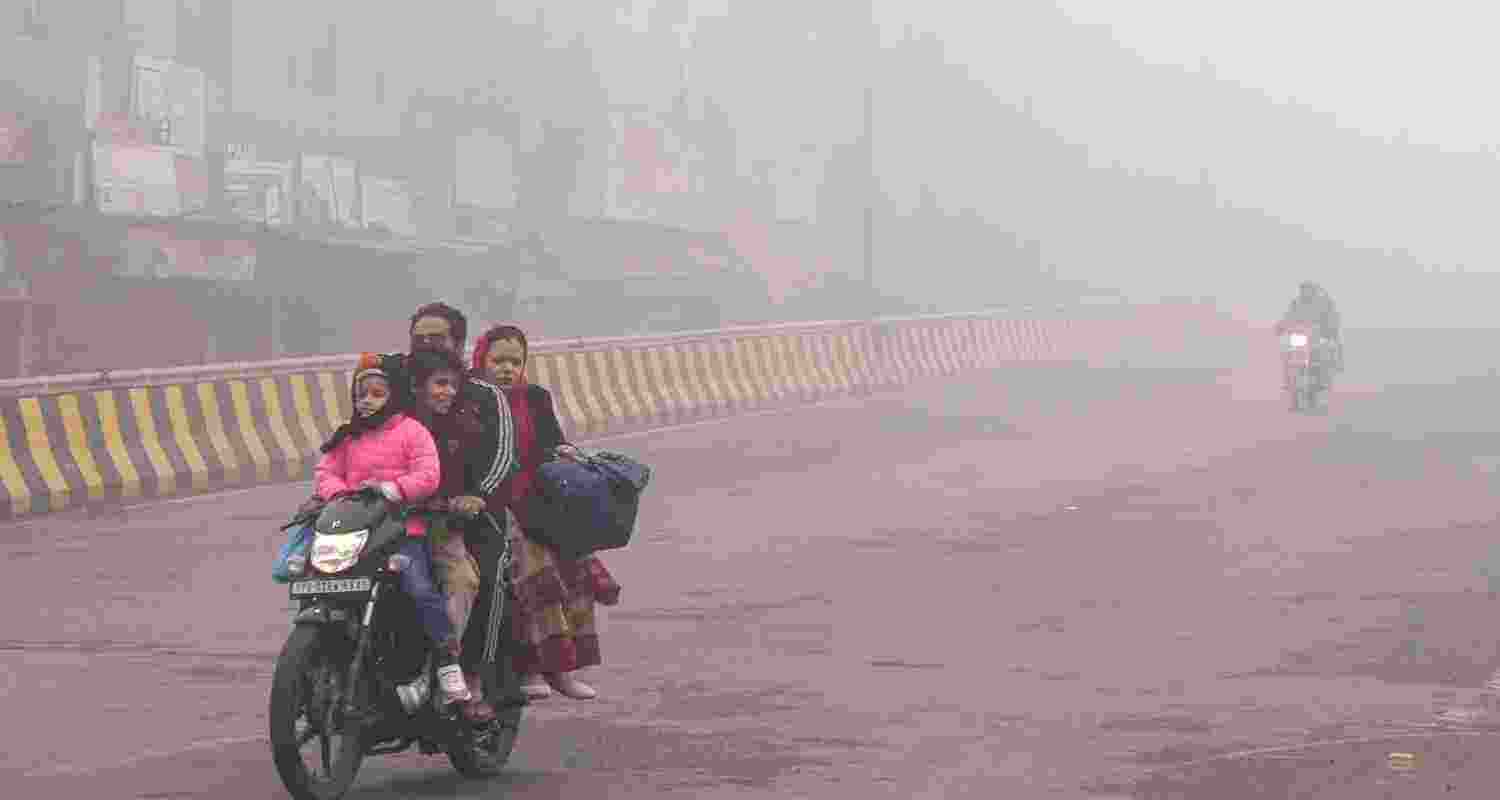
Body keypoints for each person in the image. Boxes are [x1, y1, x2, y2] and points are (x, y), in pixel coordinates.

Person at [364, 301, 518, 715]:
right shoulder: (392, 391)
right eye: (420, 339)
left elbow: (503, 457)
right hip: (404, 513)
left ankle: (471, 672)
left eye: (438, 339)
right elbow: (356, 444)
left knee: (487, 571)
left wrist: (476, 497)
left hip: (466, 515)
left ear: (460, 345)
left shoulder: (484, 394)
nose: (427, 346)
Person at [471, 323, 622, 701]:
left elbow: (552, 441)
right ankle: (531, 669)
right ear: (481, 360)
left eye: (514, 361)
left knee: (577, 563)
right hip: (488, 503)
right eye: (498, 360)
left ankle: (563, 668)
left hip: (534, 502)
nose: (506, 369)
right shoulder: (470, 397)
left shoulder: (535, 398)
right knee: (536, 572)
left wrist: (566, 452)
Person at [312, 364, 472, 707]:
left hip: (401, 534)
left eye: (376, 394)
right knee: (316, 581)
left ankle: (446, 661)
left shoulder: (413, 432)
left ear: (394, 396)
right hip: (353, 535)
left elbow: (428, 475)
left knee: (420, 588)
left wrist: (391, 490)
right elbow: (325, 473)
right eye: (361, 394)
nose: (367, 401)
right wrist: (344, 494)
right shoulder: (346, 436)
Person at [403, 346, 498, 723]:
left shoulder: (466, 429)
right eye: (439, 384)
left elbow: (475, 481)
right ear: (417, 386)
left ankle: (445, 664)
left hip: (442, 529)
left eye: (452, 385)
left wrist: (470, 499)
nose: (446, 393)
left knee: (463, 579)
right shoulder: (395, 427)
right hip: (392, 529)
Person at [1276, 281, 1343, 372]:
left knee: (1331, 346)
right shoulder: (1296, 304)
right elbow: (1288, 317)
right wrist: (1281, 327)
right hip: (1302, 337)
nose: (1305, 293)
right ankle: (1289, 378)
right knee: (1289, 353)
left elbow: (1332, 319)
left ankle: (1336, 364)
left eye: (1308, 290)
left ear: (1313, 291)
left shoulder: (1323, 303)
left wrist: (1329, 329)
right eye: (1303, 290)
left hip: (1320, 337)